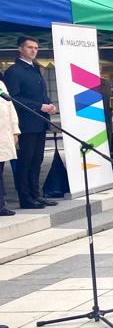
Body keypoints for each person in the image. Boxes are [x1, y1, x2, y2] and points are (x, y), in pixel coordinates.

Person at [4, 35, 59, 209]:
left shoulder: (36, 68)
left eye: (36, 48)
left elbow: (41, 94)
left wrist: (49, 105)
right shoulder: (14, 71)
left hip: (40, 121)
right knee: (25, 162)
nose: (34, 50)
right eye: (29, 47)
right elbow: (13, 98)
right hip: (26, 124)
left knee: (37, 160)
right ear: (20, 49)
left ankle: (36, 194)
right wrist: (39, 106)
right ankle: (26, 198)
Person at [0, 77, 19, 216]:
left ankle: (1, 205)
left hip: (3, 135)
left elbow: (10, 108)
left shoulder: (1, 84)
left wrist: (15, 130)